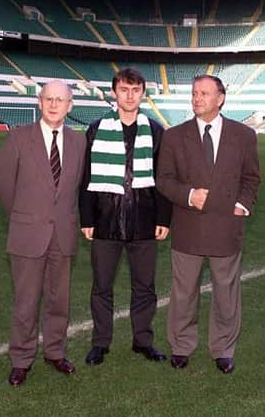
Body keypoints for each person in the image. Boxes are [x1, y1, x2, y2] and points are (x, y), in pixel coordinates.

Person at [156, 75, 260, 374]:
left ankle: (224, 348)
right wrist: (188, 195)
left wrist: (241, 206)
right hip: (188, 227)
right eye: (193, 93)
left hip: (227, 227)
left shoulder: (243, 136)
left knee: (226, 293)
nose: (196, 98)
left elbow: (251, 178)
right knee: (183, 292)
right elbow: (163, 180)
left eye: (203, 93)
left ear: (220, 98)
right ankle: (181, 345)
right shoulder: (175, 136)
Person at [0, 80, 86, 386]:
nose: (54, 104)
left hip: (63, 235)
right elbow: (4, 185)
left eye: (61, 100)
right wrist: (24, 217)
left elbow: (78, 189)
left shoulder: (78, 142)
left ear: (70, 106)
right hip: (27, 235)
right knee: (26, 301)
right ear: (39, 102)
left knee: (59, 301)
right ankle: (21, 359)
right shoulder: (19, 138)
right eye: (49, 98)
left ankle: (55, 352)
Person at [80, 67, 172, 365]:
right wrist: (86, 218)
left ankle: (143, 341)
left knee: (144, 286)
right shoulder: (95, 128)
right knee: (101, 287)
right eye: (124, 89)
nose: (129, 95)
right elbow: (85, 177)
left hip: (144, 221)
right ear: (114, 92)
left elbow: (164, 178)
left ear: (142, 93)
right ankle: (100, 343)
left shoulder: (156, 130)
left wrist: (164, 217)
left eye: (135, 90)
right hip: (105, 220)